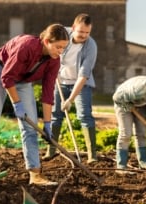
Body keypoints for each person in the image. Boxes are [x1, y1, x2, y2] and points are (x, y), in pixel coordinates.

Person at [0, 24, 69, 185]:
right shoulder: (26, 46)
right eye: (58, 47)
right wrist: (17, 104)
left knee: (30, 128)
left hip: (23, 81)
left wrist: (48, 124)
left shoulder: (54, 61)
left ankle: (35, 174)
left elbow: (48, 93)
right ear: (47, 41)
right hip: (0, 72)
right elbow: (7, 77)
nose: (60, 51)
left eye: (64, 48)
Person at [42, 13, 98, 163]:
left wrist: (71, 99)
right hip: (60, 81)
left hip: (81, 84)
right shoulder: (62, 34)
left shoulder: (90, 46)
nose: (84, 35)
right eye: (81, 31)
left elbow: (84, 75)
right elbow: (48, 44)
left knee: (85, 116)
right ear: (73, 28)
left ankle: (92, 155)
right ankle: (51, 150)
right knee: (55, 116)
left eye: (87, 32)